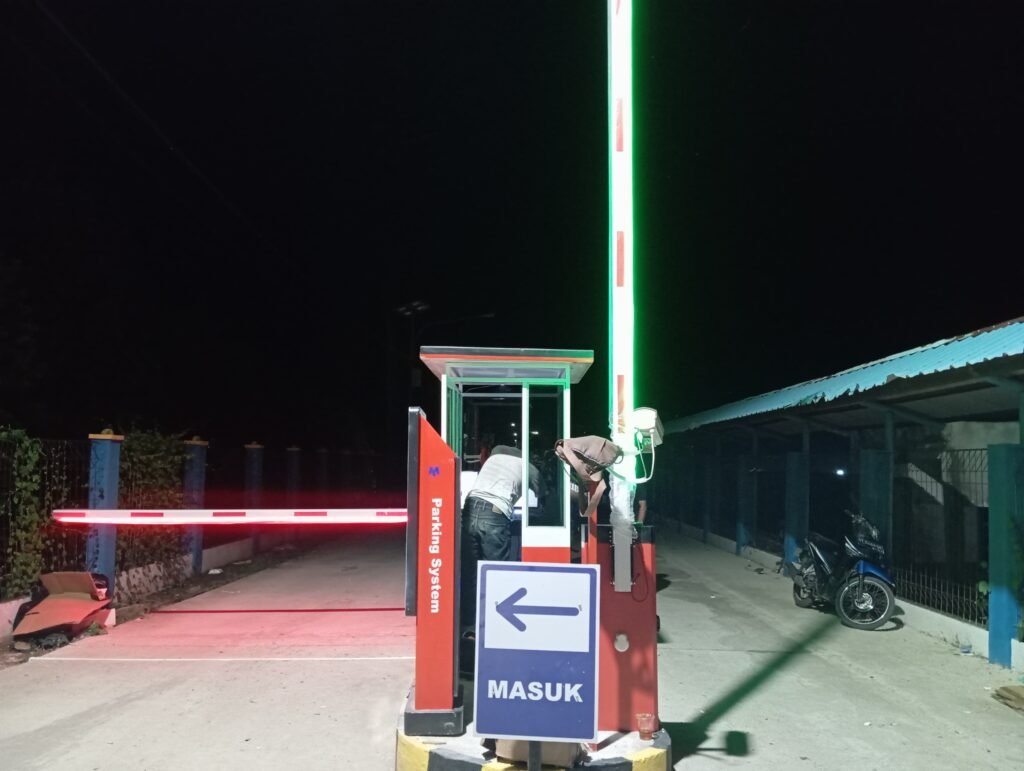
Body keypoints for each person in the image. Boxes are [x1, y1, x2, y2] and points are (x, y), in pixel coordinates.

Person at [460, 445, 543, 632]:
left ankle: (468, 621)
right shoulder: (528, 466)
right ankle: (493, 622)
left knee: (470, 570)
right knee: (495, 571)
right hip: (495, 512)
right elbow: (543, 495)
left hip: (470, 507)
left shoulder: (493, 459)